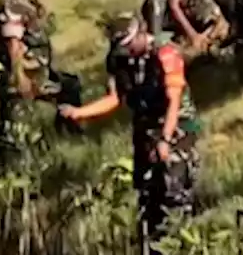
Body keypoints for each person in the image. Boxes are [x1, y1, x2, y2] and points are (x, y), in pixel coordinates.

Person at [59, 14, 202, 240]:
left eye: (129, 45)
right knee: (147, 194)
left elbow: (174, 100)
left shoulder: (166, 53)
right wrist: (79, 113)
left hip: (176, 128)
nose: (127, 52)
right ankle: (149, 252)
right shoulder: (118, 59)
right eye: (121, 47)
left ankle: (177, 252)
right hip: (144, 128)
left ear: (142, 34)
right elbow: (115, 98)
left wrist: (165, 139)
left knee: (174, 192)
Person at [0, 0, 82, 166]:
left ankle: (67, 136)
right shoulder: (13, 3)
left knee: (69, 86)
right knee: (16, 129)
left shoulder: (29, 1)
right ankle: (11, 172)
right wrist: (19, 76)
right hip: (21, 76)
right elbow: (13, 44)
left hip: (39, 74)